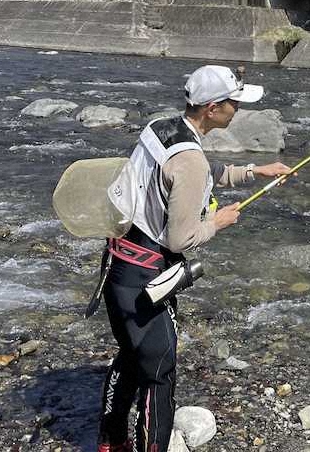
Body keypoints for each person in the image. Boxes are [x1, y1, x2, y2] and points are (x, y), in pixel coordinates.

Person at [96, 64, 293, 452]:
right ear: (213, 108)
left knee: (133, 355)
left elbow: (197, 173)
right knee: (160, 371)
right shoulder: (190, 159)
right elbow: (181, 237)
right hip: (145, 276)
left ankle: (110, 441)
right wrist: (218, 222)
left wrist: (254, 170)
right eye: (233, 103)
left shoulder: (162, 128)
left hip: (118, 262)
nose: (237, 109)